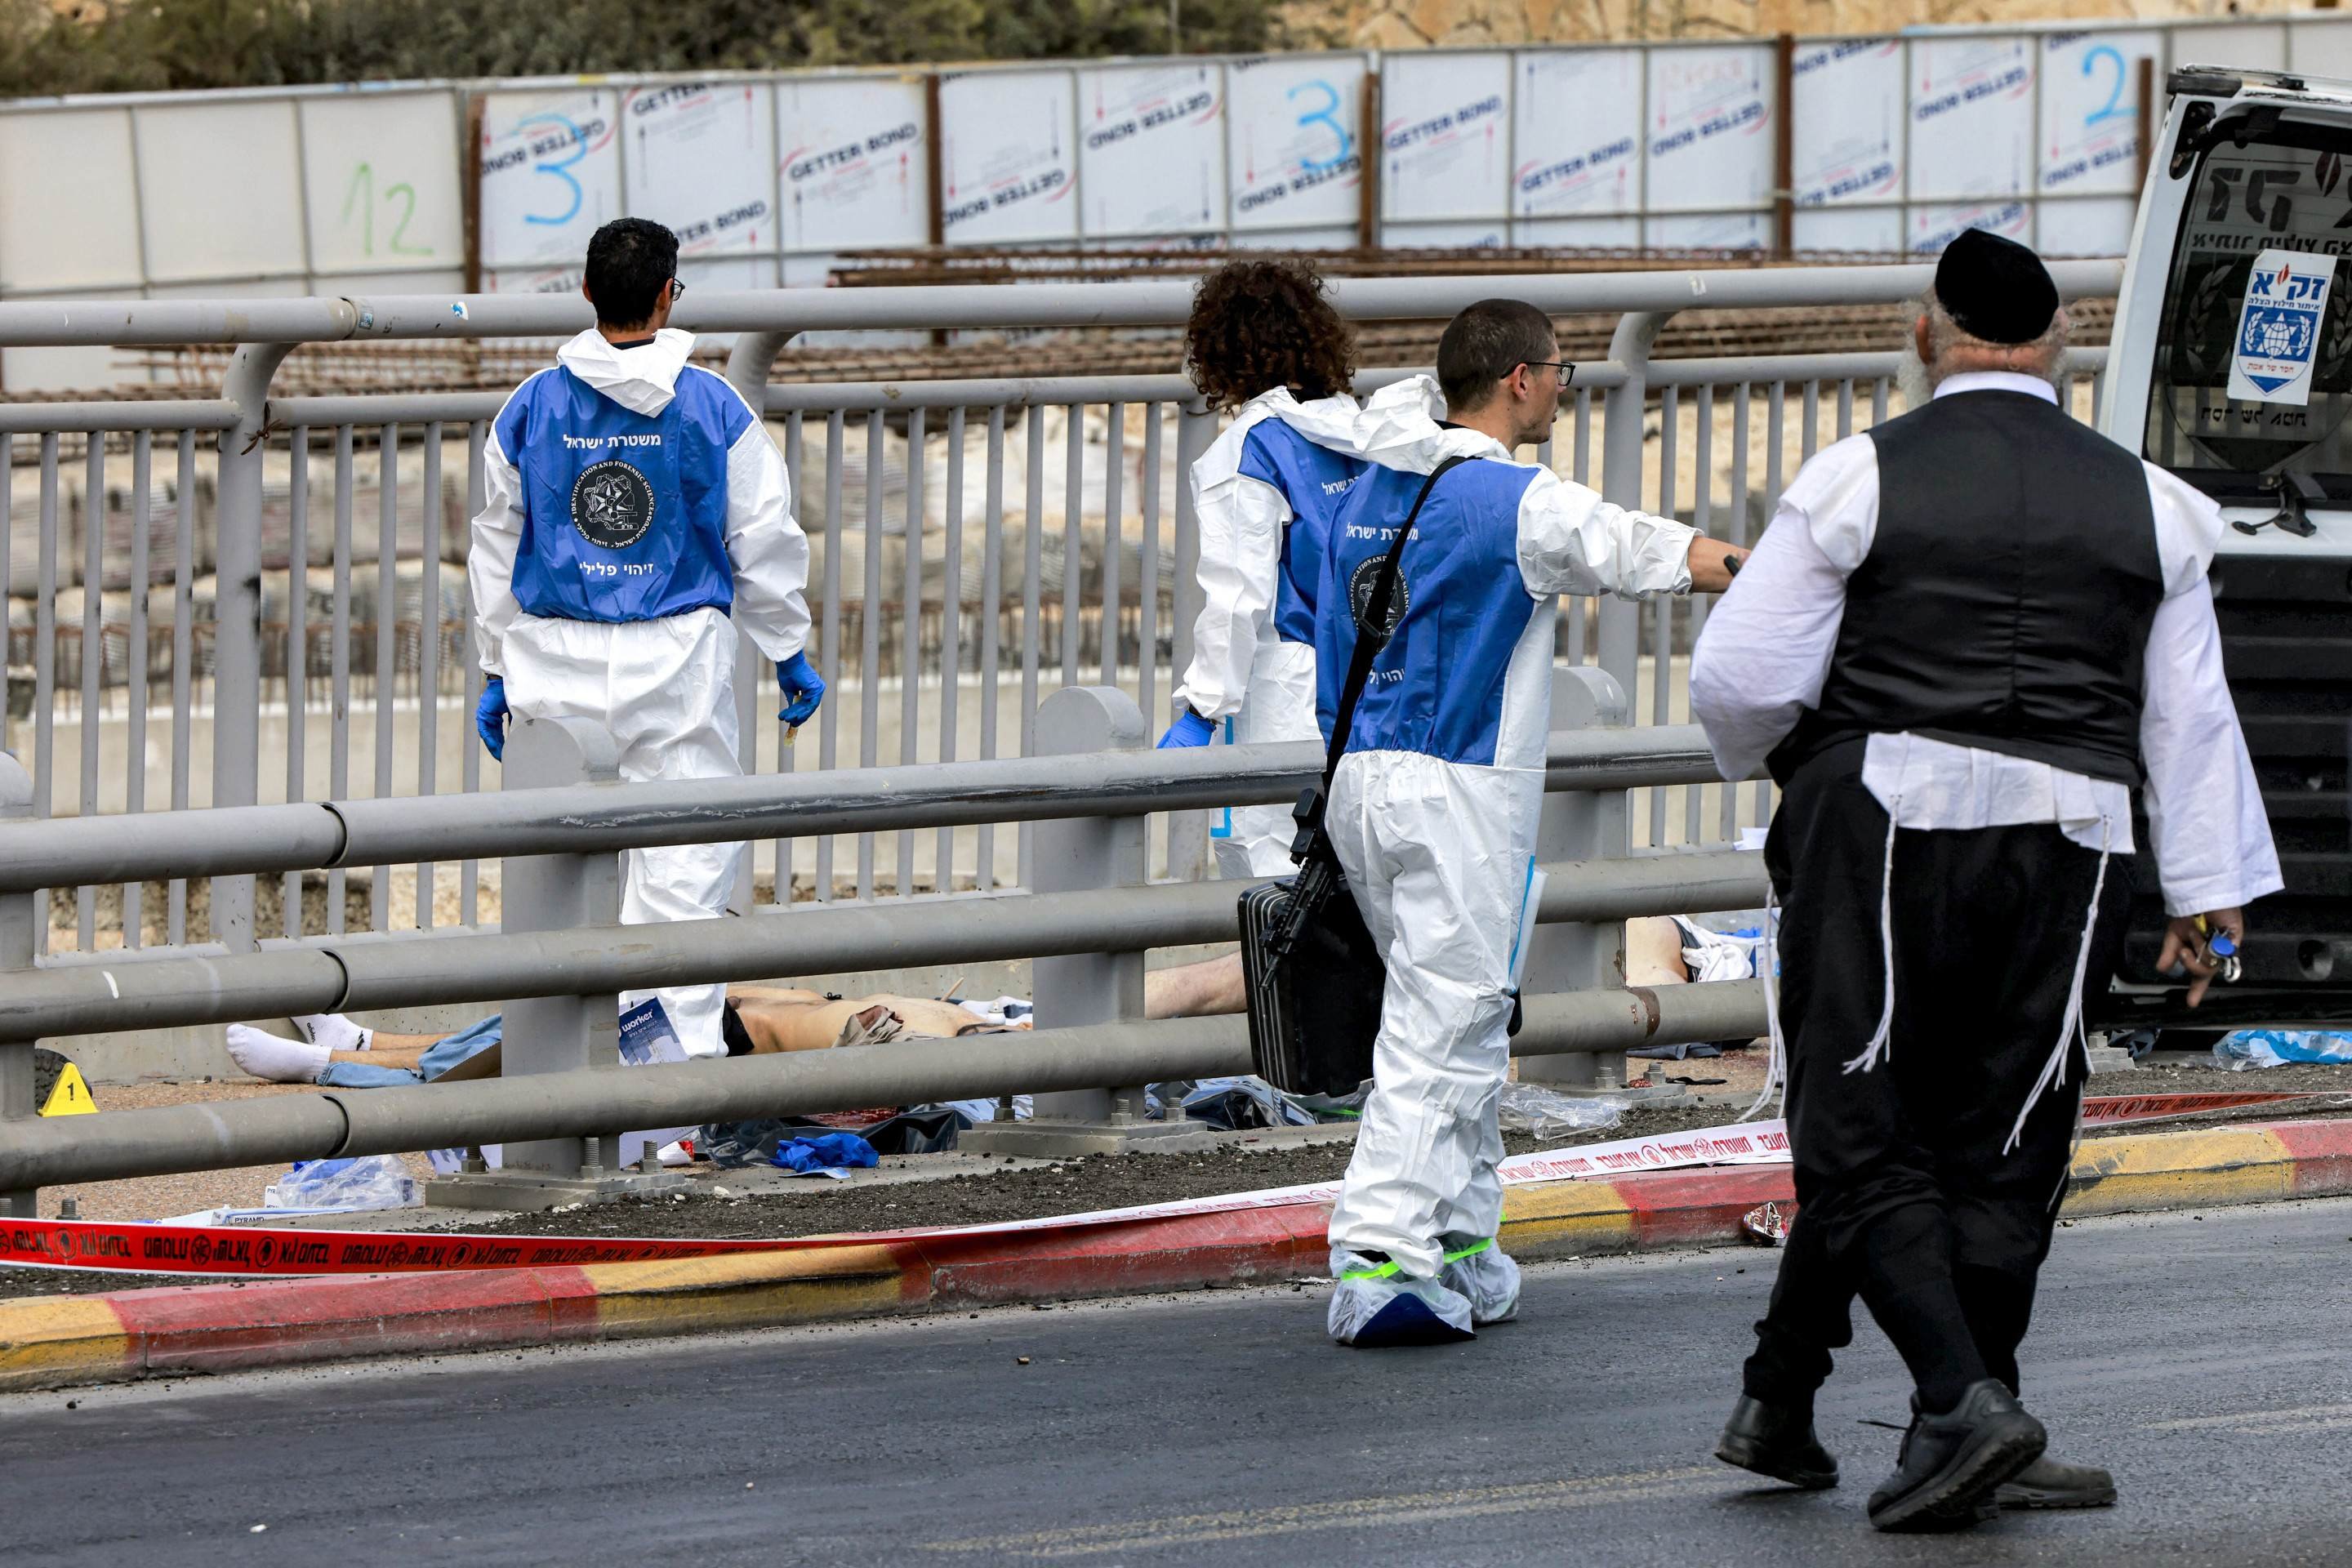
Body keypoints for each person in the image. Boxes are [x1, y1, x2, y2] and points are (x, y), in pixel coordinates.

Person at [1690, 229, 2282, 1531]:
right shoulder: (2153, 499)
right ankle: (1805, 1401)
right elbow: (2190, 717)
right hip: (2074, 833)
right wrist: (2207, 897)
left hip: (1889, 817)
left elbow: (1742, 677)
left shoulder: (1860, 476)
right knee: (2008, 1135)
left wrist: (1799, 769)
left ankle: (1963, 1404)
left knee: (1859, 1121)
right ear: (2059, 348)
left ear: (1925, 334)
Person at [1309, 299, 1743, 1348]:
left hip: (1359, 775)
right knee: (1444, 1022)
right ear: (1517, 380)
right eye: (1562, 372)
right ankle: (1378, 1256)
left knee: (1457, 1012)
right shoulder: (1515, 499)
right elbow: (1651, 551)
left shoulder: (1370, 484)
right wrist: (1793, 573)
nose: (1564, 389)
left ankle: (1463, 1241)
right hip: (1460, 786)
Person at [468, 217, 822, 1059]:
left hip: (552, 663)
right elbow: (762, 538)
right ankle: (670, 1100)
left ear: (586, 293)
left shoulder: (530, 406)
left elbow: (494, 542)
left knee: (556, 883)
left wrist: (493, 665)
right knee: (681, 885)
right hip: (678, 669)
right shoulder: (712, 405)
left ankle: (555, 1084)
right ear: (670, 294)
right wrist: (786, 647)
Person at [1155, 256, 1380, 880]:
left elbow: (1238, 596)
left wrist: (1202, 711)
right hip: (1374, 686)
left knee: (1270, 887)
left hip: (1283, 698)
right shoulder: (1365, 434)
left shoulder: (1252, 450)